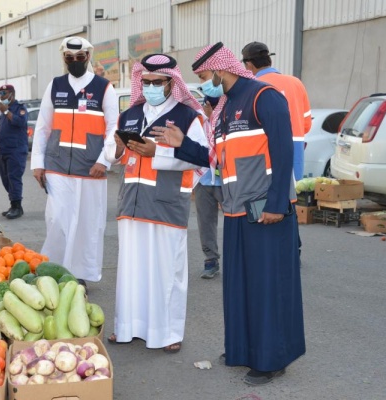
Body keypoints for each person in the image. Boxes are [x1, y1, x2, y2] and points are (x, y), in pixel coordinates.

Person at [155, 42, 305, 385]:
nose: (204, 83)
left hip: (266, 209)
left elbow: (283, 153)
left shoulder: (263, 96)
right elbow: (213, 159)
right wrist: (181, 143)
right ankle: (241, 348)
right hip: (236, 211)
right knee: (239, 286)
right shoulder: (223, 108)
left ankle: (271, 359)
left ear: (221, 69)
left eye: (205, 76)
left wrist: (277, 204)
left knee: (268, 287)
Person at [103, 54, 208, 353]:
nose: (150, 87)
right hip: (132, 202)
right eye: (145, 82)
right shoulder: (131, 114)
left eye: (156, 82)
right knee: (131, 269)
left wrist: (156, 154)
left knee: (166, 272)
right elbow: (115, 154)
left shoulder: (188, 117)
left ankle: (168, 333)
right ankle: (128, 327)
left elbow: (203, 159)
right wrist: (120, 150)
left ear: (170, 82)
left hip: (166, 202)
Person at [31, 37, 118, 284]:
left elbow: (113, 128)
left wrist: (105, 160)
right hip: (57, 167)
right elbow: (42, 127)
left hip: (91, 169)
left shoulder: (104, 88)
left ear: (88, 57)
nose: (75, 62)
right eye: (69, 58)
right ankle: (53, 274)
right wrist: (38, 162)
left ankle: (80, 275)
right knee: (57, 220)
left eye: (79, 58)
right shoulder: (55, 86)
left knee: (86, 225)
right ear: (64, 59)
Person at [241, 41, 312, 181]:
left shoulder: (250, 87)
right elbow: (306, 125)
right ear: (269, 60)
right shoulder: (296, 83)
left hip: (264, 156)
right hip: (294, 154)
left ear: (248, 65)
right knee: (290, 199)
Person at [196, 94, 223, 279]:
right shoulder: (198, 121)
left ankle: (238, 259)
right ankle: (211, 260)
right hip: (203, 181)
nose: (209, 108)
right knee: (205, 222)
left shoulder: (226, 120)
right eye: (208, 104)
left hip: (227, 181)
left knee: (236, 222)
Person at [0, 84, 29, 219]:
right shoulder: (5, 110)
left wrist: (6, 112)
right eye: (0, 94)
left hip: (16, 150)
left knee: (14, 178)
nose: (1, 96)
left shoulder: (19, 108)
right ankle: (14, 204)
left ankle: (17, 206)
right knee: (6, 179)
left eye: (4, 93)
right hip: (3, 150)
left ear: (11, 94)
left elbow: (20, 122)